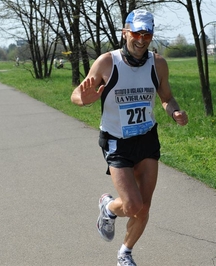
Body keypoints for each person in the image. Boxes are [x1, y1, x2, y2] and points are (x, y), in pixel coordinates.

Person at [70, 9, 188, 266]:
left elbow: (166, 98)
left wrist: (175, 111)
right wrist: (84, 99)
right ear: (125, 32)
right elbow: (76, 95)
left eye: (147, 34)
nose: (142, 39)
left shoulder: (157, 64)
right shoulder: (107, 62)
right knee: (132, 205)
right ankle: (109, 207)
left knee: (144, 207)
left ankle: (125, 252)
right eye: (136, 32)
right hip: (117, 141)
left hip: (147, 139)